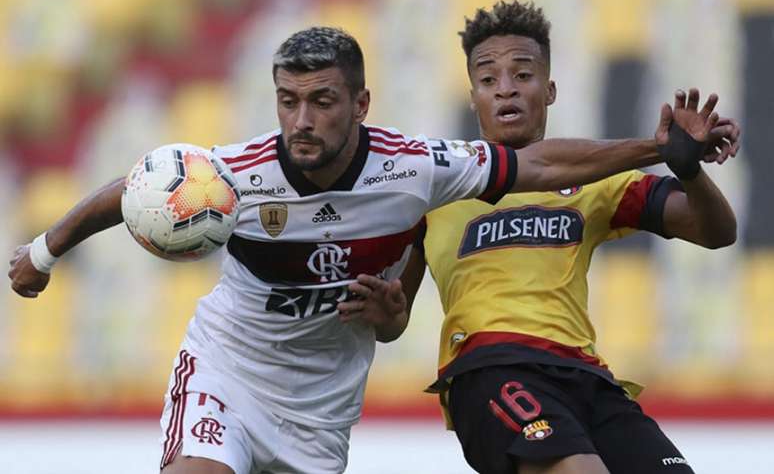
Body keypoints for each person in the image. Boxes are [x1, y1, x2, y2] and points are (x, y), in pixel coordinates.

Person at [8, 26, 734, 474]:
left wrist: (659, 149)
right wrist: (43, 251)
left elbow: (535, 167)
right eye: (288, 99)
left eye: (321, 100)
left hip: (321, 407)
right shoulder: (233, 174)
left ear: (361, 104)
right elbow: (130, 188)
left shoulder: (417, 171)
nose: (301, 118)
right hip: (231, 368)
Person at [339, 1, 740, 474]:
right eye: (488, 80)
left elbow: (717, 232)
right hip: (492, 367)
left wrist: (688, 168)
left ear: (549, 90)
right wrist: (387, 315)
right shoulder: (435, 187)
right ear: (473, 97)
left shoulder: (594, 180)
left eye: (522, 75)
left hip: (587, 377)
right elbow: (393, 321)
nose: (505, 89)